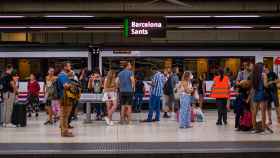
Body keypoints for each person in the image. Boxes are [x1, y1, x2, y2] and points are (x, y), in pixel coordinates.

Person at [57, 62, 74, 137]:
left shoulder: (64, 75)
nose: (70, 67)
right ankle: (64, 132)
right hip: (65, 98)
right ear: (65, 67)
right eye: (69, 66)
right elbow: (65, 86)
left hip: (65, 98)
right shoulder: (63, 76)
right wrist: (73, 84)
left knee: (65, 115)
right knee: (64, 115)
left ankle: (65, 130)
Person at [251, 63, 268, 133]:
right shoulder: (263, 75)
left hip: (256, 94)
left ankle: (254, 128)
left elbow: (253, 87)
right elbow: (265, 85)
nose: (264, 68)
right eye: (264, 67)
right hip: (262, 93)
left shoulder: (254, 75)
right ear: (261, 67)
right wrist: (268, 83)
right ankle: (263, 129)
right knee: (263, 112)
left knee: (254, 112)